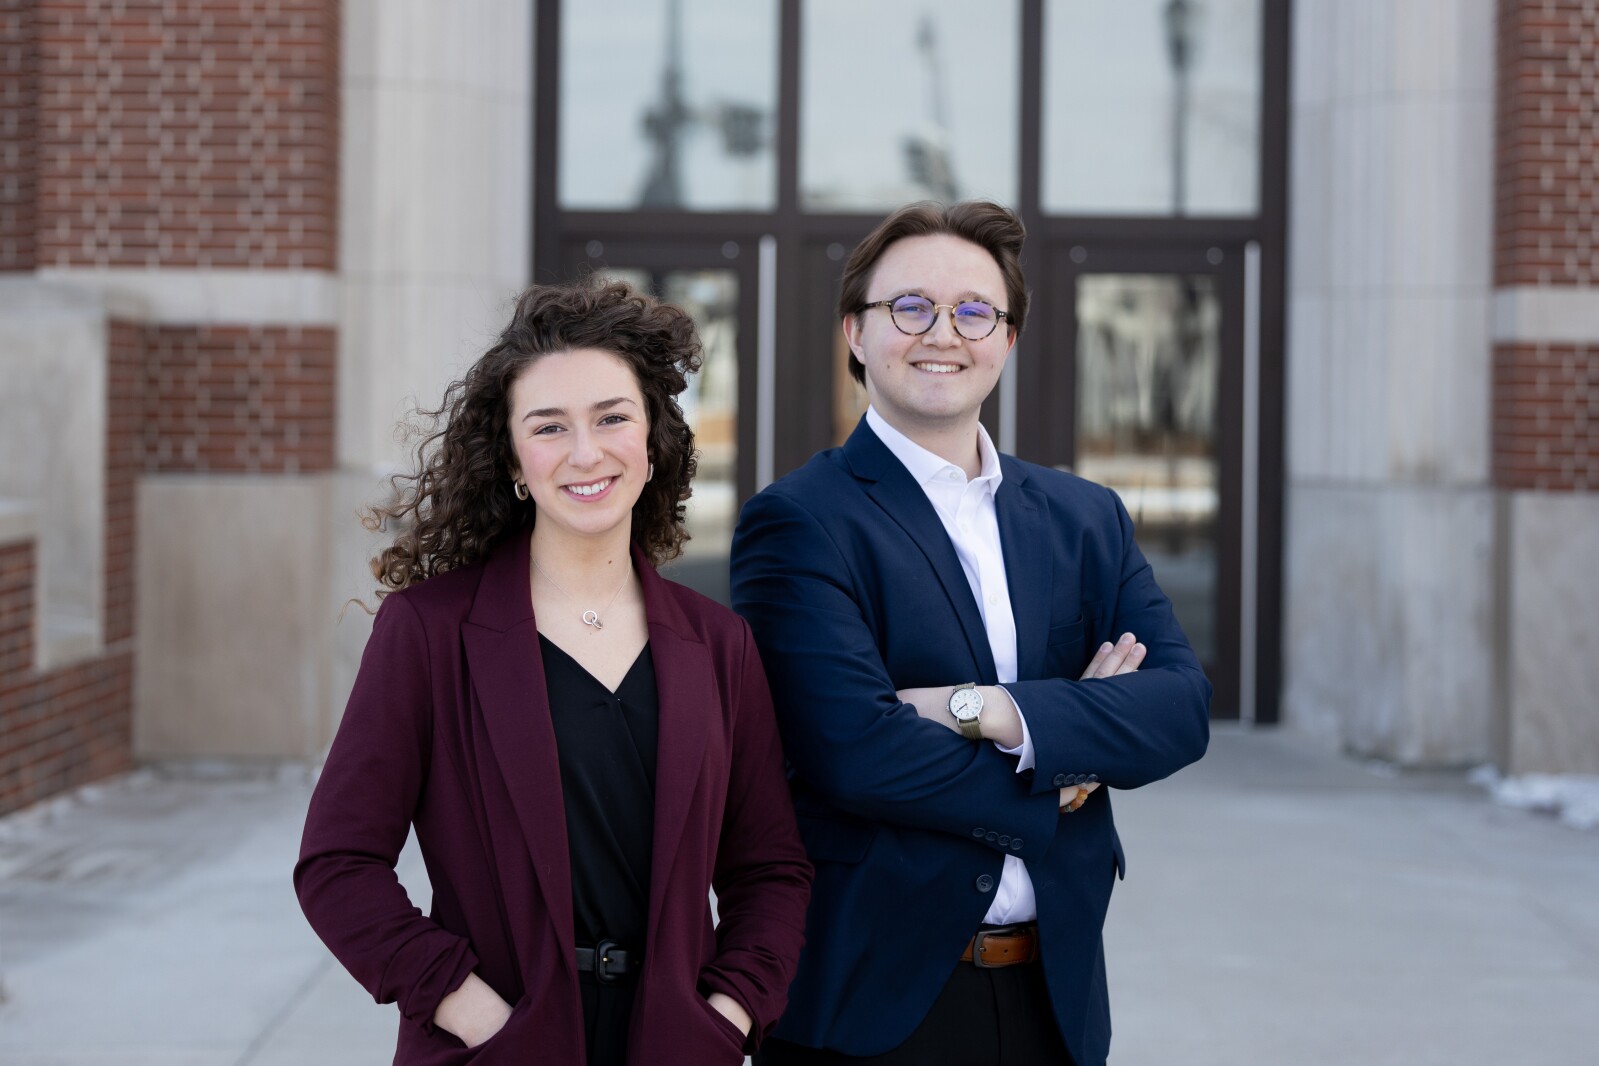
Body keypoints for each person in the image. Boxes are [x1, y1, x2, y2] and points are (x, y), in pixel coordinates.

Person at [729, 201, 1211, 1066]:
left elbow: (1178, 709)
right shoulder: (800, 520)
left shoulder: (1083, 516)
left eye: (973, 310)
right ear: (855, 332)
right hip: (875, 1008)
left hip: (1053, 1002)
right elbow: (854, 750)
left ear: (1008, 339)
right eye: (908, 306)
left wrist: (987, 712)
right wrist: (1064, 763)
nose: (941, 332)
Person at [296, 279, 812, 1065]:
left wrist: (727, 1015)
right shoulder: (429, 633)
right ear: (510, 457)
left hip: (673, 1047)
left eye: (611, 417)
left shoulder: (718, 644)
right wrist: (471, 1014)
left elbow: (769, 868)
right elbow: (337, 866)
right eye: (548, 427)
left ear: (652, 441)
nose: (584, 452)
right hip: (499, 1048)